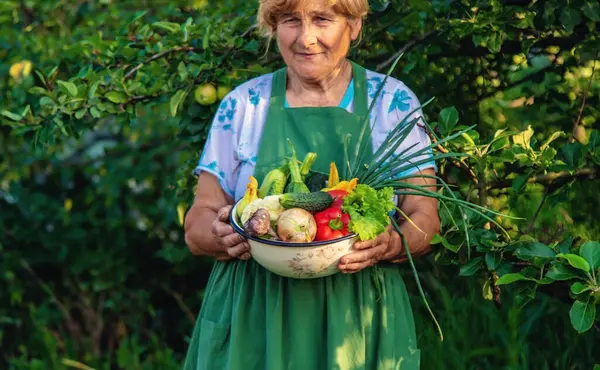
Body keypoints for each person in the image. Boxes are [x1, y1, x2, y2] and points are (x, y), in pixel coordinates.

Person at [183, 0, 440, 368]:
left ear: (353, 25)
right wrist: (218, 234)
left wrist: (392, 244)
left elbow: (426, 220)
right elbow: (196, 225)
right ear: (274, 28)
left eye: (322, 19)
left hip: (357, 321)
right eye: (290, 21)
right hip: (253, 318)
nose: (306, 38)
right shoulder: (243, 106)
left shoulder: (392, 103)